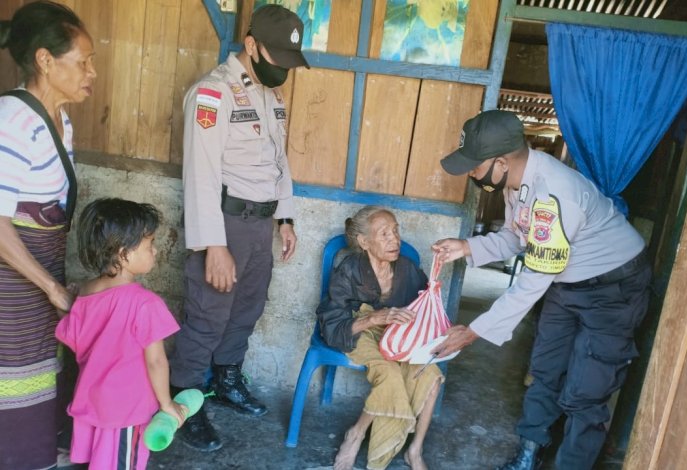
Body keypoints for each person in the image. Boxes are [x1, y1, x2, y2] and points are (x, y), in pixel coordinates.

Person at [431, 110, 651, 470]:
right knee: (545, 368)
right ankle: (529, 454)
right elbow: (516, 237)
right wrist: (467, 247)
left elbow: (532, 281)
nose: (470, 172)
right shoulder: (517, 183)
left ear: (502, 161)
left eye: (474, 165)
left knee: (587, 390)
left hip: (614, 289)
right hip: (567, 282)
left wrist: (473, 331)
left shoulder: (553, 193)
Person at [169, 4, 308, 451]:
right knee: (208, 316)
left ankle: (226, 381)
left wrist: (284, 218)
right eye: (278, 59)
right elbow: (201, 173)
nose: (283, 71)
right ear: (250, 45)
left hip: (261, 225)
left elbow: (278, 161)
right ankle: (184, 401)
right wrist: (214, 245)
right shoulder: (214, 93)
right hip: (225, 224)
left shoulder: (271, 97)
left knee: (246, 310)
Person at [0, 2, 96, 468]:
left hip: (38, 272)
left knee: (41, 370)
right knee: (12, 373)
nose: (91, 72)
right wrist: (50, 285)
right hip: (13, 283)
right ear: (44, 59)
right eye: (82, 61)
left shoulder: (59, 120)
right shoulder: (11, 121)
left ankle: (35, 451)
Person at [55, 198, 186, 469]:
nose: (156, 251)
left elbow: (72, 337)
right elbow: (157, 361)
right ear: (125, 254)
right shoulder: (145, 304)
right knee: (122, 462)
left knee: (101, 459)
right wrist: (166, 404)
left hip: (92, 401)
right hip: (125, 410)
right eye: (150, 245)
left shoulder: (85, 293)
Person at [317, 206, 443, 470]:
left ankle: (415, 450)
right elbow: (332, 325)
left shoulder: (407, 268)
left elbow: (422, 309)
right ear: (364, 242)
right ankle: (356, 434)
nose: (394, 240)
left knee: (430, 375)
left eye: (395, 231)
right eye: (384, 234)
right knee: (389, 374)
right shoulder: (349, 270)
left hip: (396, 334)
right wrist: (374, 318)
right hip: (360, 329)